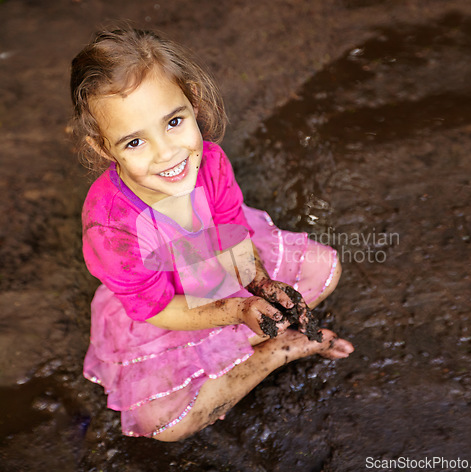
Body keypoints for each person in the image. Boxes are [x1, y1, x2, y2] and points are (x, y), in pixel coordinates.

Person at [70, 26, 354, 442]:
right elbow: (156, 307)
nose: (166, 153)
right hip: (169, 313)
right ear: (102, 147)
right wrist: (238, 312)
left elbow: (233, 234)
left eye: (174, 121)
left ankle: (256, 337)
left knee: (324, 269)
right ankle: (277, 352)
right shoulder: (110, 225)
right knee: (164, 427)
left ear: (193, 102)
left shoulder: (211, 163)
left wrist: (259, 284)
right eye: (134, 142)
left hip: (221, 268)